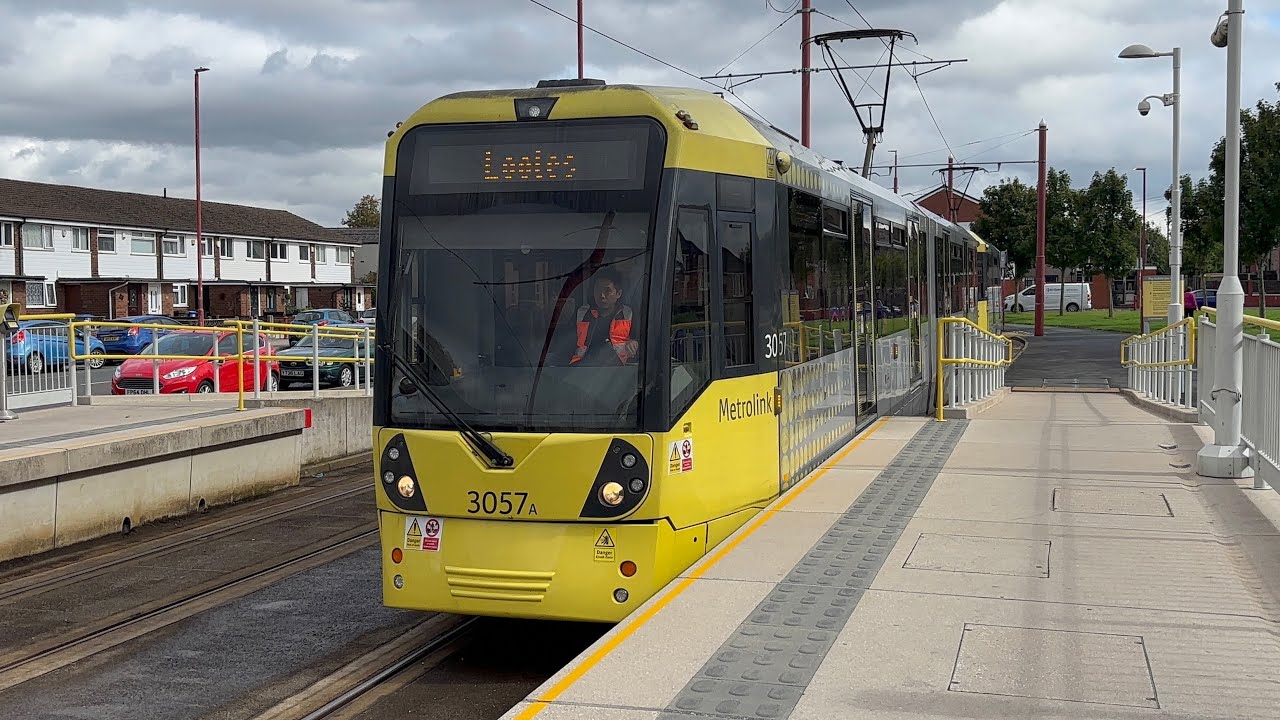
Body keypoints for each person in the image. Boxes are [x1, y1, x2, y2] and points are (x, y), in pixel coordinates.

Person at [570, 267, 638, 365]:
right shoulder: (581, 313)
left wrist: (634, 343)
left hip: (618, 372)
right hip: (582, 370)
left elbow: (643, 343)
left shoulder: (629, 314)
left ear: (618, 294)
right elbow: (566, 343)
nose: (601, 295)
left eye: (607, 290)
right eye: (598, 289)